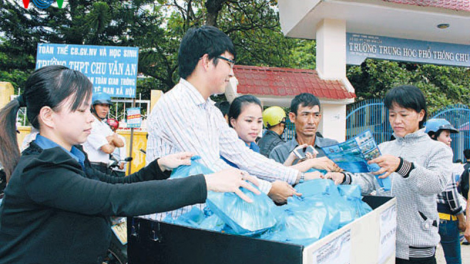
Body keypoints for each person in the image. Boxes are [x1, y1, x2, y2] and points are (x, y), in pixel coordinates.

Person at [0, 65, 260, 264]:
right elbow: (116, 199)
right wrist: (205, 184)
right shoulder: (41, 170)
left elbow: (118, 184)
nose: (90, 119)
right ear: (48, 116)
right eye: (80, 110)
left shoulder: (69, 158)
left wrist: (159, 167)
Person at [146, 25, 322, 221]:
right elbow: (207, 165)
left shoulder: (209, 110)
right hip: (166, 221)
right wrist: (268, 188)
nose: (232, 73)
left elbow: (243, 156)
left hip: (195, 219)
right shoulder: (176, 104)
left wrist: (298, 177)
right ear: (206, 61)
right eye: (229, 63)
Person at [327, 85, 453, 263]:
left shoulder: (437, 149)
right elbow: (369, 181)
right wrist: (344, 178)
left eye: (404, 114)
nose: (397, 120)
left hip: (417, 249)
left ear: (420, 115)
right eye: (392, 114)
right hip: (383, 244)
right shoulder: (385, 147)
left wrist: (403, 166)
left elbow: (435, 183)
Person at [426, 118, 465, 264]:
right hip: (446, 218)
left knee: (429, 257)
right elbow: (450, 191)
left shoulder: (422, 155)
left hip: (428, 217)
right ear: (433, 136)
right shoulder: (444, 155)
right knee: (453, 258)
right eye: (446, 136)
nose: (450, 140)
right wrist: (461, 217)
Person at [269, 93, 341, 171]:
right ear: (292, 117)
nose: (311, 121)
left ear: (319, 117)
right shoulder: (280, 153)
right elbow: (275, 181)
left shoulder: (333, 147)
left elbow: (349, 176)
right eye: (305, 115)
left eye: (315, 115)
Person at [82, 92, 124, 174]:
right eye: (101, 105)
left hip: (103, 167)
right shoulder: (91, 124)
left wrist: (111, 139)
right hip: (93, 166)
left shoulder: (104, 125)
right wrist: (114, 142)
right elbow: (107, 149)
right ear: (93, 107)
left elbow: (121, 143)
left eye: (107, 106)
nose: (105, 109)